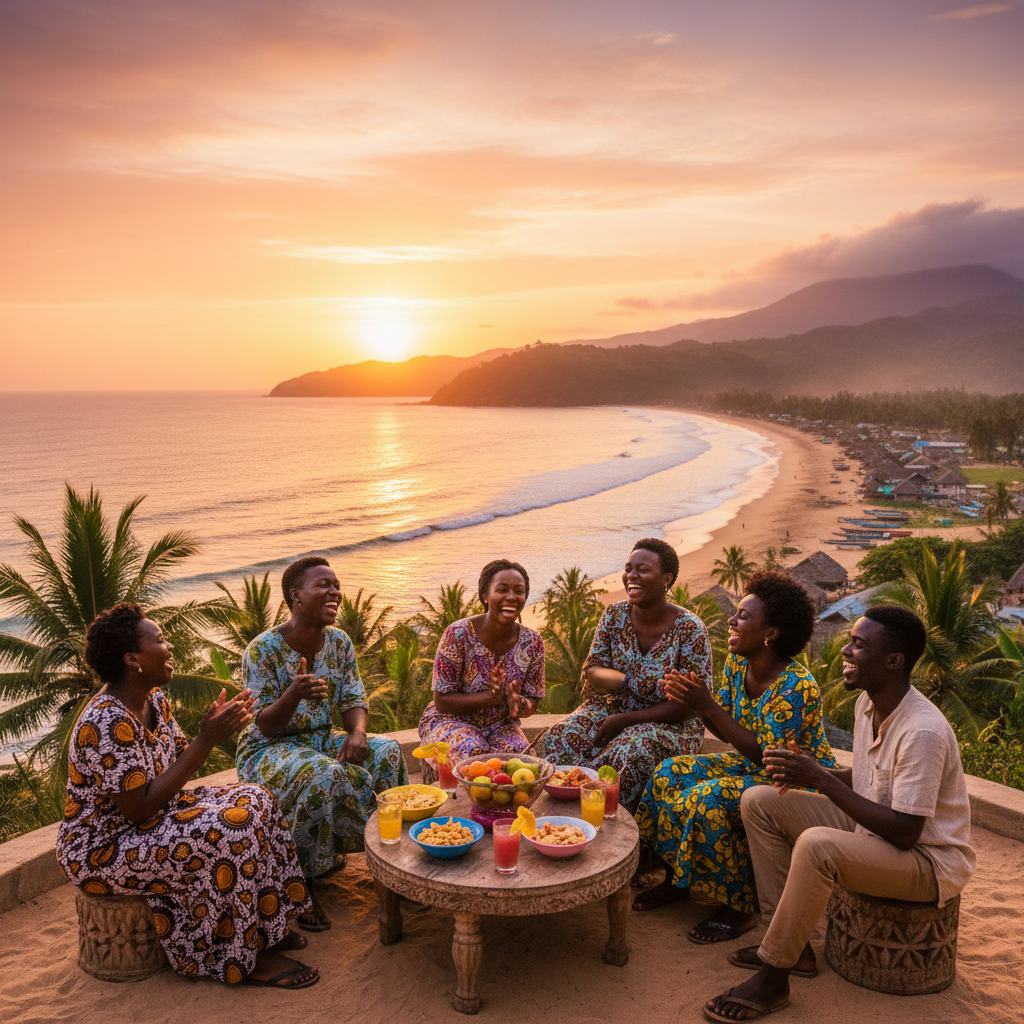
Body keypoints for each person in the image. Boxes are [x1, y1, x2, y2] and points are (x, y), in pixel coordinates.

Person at [704, 605, 977, 1022]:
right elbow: (868, 778)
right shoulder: (869, 704)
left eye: (858, 645)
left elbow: (906, 831)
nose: (846, 651)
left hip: (927, 860)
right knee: (759, 801)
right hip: (875, 832)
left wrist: (820, 779)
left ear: (893, 661)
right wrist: (807, 771)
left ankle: (774, 978)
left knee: (817, 846)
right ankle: (791, 947)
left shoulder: (922, 730)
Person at [57, 603, 318, 989]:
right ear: (132, 659)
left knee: (256, 798)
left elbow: (179, 762)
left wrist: (211, 728)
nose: (170, 647)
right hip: (104, 848)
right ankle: (243, 958)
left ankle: (267, 928)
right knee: (232, 828)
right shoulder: (105, 722)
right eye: (160, 640)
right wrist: (207, 738)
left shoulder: (154, 699)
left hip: (154, 817)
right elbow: (138, 809)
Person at [633, 571, 837, 944]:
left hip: (794, 781)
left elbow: (769, 759)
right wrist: (693, 701)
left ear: (770, 633)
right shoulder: (738, 663)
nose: (731, 620)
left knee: (709, 798)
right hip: (749, 765)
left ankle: (739, 908)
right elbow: (725, 729)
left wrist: (707, 706)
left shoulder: (797, 686)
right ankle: (677, 879)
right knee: (668, 773)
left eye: (743, 616)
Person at [236, 556, 407, 932]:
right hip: (267, 748)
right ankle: (304, 881)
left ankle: (396, 861)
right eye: (323, 585)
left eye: (336, 585)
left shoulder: (339, 642)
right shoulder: (262, 650)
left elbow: (353, 699)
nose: (335, 592)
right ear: (296, 595)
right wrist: (293, 693)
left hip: (319, 739)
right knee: (322, 774)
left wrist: (357, 732)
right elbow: (264, 724)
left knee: (388, 752)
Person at [538, 538, 712, 812]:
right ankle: (563, 815)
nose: (631, 575)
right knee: (558, 736)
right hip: (613, 708)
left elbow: (689, 705)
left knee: (629, 752)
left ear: (666, 579)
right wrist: (629, 683)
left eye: (643, 569)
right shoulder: (614, 615)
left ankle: (609, 822)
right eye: (629, 568)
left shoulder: (690, 629)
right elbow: (593, 672)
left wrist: (628, 719)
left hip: (673, 724)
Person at [417, 559, 544, 761]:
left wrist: (520, 703)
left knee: (524, 760)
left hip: (501, 726)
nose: (511, 597)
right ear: (485, 595)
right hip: (450, 720)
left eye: (519, 591)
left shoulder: (532, 642)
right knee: (474, 756)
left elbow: (532, 701)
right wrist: (489, 697)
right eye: (502, 590)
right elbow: (441, 701)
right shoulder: (457, 634)